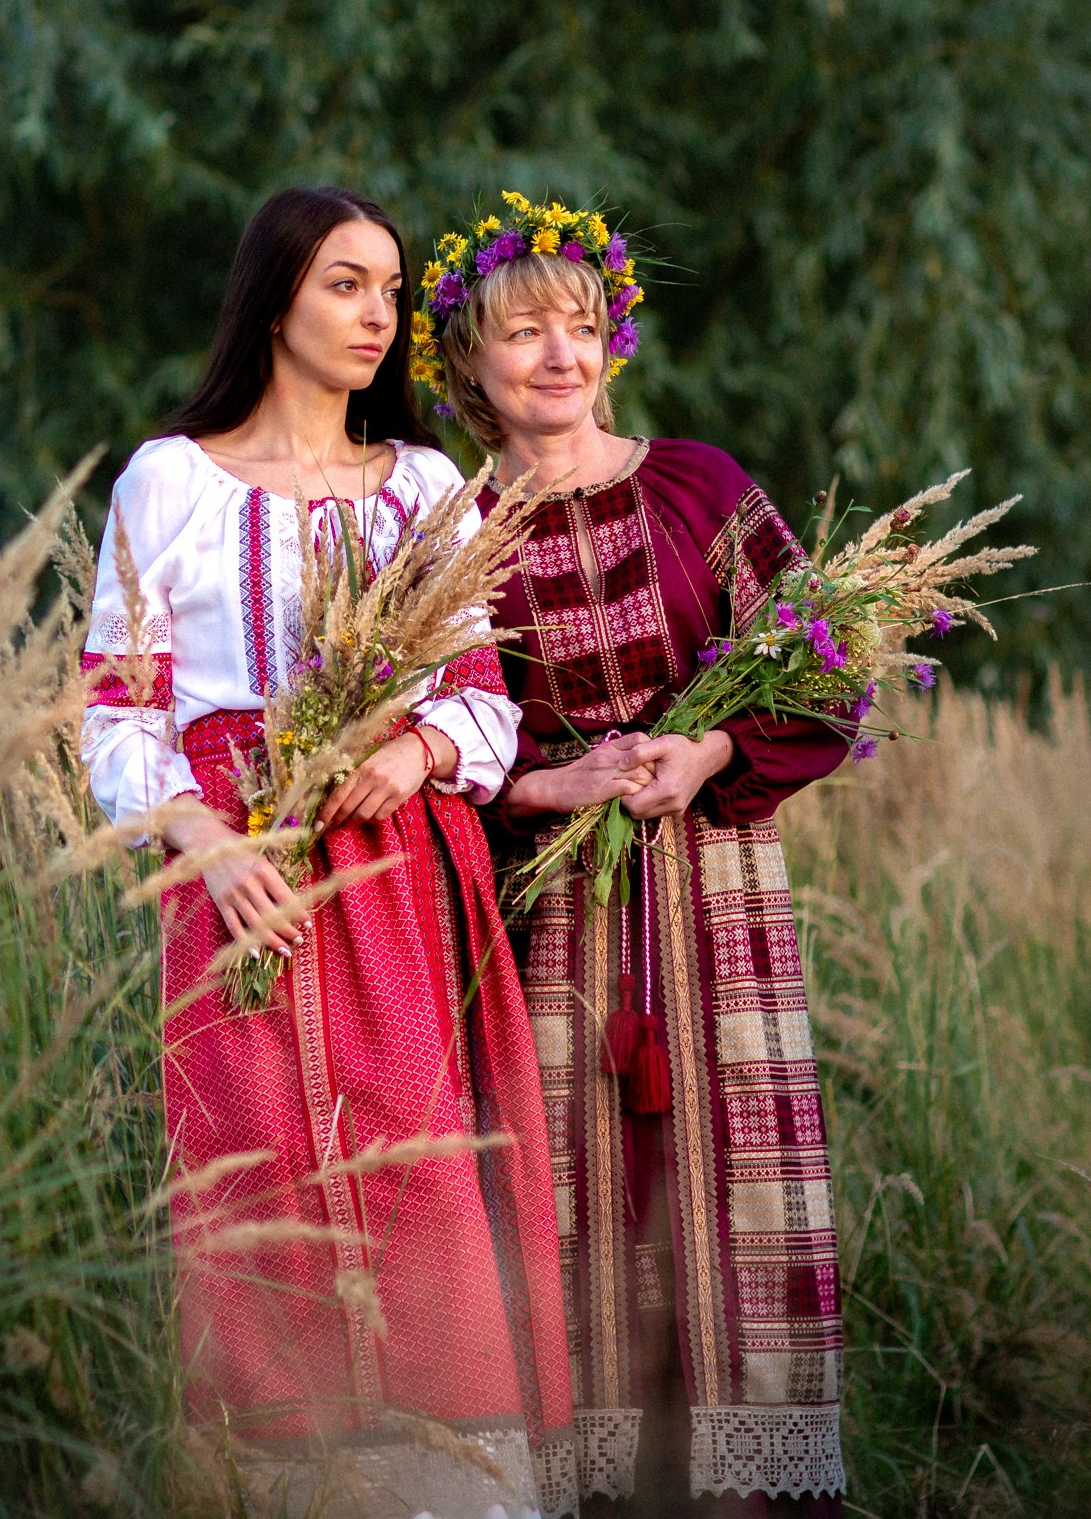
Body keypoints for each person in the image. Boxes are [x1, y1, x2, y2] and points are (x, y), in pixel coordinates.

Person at [80, 186, 575, 1519]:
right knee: (253, 1189)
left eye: (392, 291)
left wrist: (405, 756)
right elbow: (118, 714)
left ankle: (451, 1491)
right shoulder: (168, 478)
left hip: (394, 886)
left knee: (414, 1182)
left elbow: (482, 696)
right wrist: (205, 846)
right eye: (348, 284)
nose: (379, 315)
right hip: (235, 892)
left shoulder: (418, 486)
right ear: (274, 294)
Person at [415, 198, 849, 1515]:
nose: (559, 356)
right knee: (572, 1207)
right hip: (554, 917)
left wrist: (706, 757)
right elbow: (434, 744)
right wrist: (562, 780)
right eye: (524, 333)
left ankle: (743, 1497)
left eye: (582, 329)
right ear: (469, 363)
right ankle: (594, 1494)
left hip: (713, 896)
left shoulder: (702, 486)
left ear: (615, 347)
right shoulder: (451, 533)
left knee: (728, 1201)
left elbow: (826, 674)